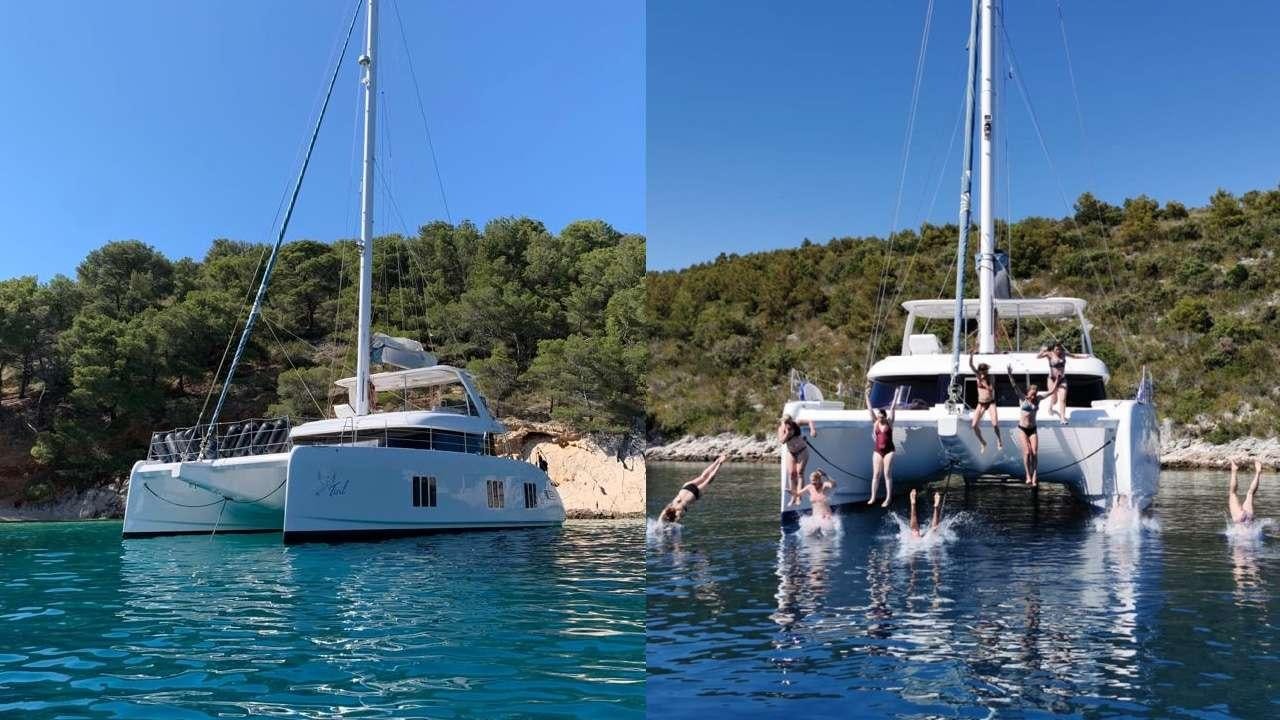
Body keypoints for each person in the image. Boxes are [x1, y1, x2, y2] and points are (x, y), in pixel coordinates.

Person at [1007, 365, 1052, 487]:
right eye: (1031, 394)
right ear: (1028, 393)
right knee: (1027, 453)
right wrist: (1010, 374)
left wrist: (1057, 381)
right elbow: (1014, 386)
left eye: (1034, 394)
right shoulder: (1023, 399)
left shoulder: (1038, 399)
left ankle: (1035, 474)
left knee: (1034, 453)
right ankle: (1027, 474)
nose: (1032, 396)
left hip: (1033, 429)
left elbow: (1051, 392)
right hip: (1022, 429)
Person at [660, 454, 727, 523]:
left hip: (692, 495)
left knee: (708, 480)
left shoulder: (678, 512)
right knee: (703, 477)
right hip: (685, 489)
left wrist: (670, 524)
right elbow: (662, 515)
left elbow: (676, 520)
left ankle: (719, 464)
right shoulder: (669, 507)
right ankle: (717, 461)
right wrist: (659, 522)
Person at [1037, 343, 1089, 423]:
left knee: (1063, 399)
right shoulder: (1049, 354)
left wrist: (1084, 357)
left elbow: (1074, 356)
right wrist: (1042, 351)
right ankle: (1050, 407)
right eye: (1056, 349)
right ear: (1053, 349)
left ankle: (1062, 418)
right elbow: (1038, 357)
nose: (1058, 351)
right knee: (1054, 400)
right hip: (1052, 379)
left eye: (1059, 349)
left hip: (1062, 379)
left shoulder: (1064, 354)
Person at [866, 382, 898, 507]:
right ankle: (873, 497)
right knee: (876, 474)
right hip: (877, 451)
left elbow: (893, 408)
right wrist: (866, 396)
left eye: (881, 417)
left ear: (885, 417)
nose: (879, 419)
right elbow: (870, 409)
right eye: (878, 417)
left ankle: (888, 498)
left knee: (886, 474)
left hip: (889, 451)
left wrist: (896, 395)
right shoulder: (876, 423)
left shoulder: (889, 422)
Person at [778, 415, 818, 507]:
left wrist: (812, 430)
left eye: (788, 422)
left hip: (802, 451)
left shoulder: (796, 423)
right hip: (791, 452)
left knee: (800, 473)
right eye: (785, 422)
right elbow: (782, 441)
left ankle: (799, 496)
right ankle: (793, 497)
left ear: (791, 420)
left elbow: (809, 419)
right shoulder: (782, 429)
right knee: (792, 474)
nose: (787, 423)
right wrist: (787, 433)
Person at [969, 352, 1002, 454]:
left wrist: (984, 383)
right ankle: (983, 442)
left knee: (995, 424)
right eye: (982, 371)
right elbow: (971, 365)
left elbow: (991, 389)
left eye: (985, 371)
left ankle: (999, 440)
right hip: (981, 403)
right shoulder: (978, 375)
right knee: (974, 425)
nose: (983, 373)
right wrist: (971, 356)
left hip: (991, 402)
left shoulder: (991, 377)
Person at [1228, 459, 1263, 524]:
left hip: (1248, 517)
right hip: (1242, 519)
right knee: (1234, 493)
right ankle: (1234, 471)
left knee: (1249, 493)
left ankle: (1258, 472)